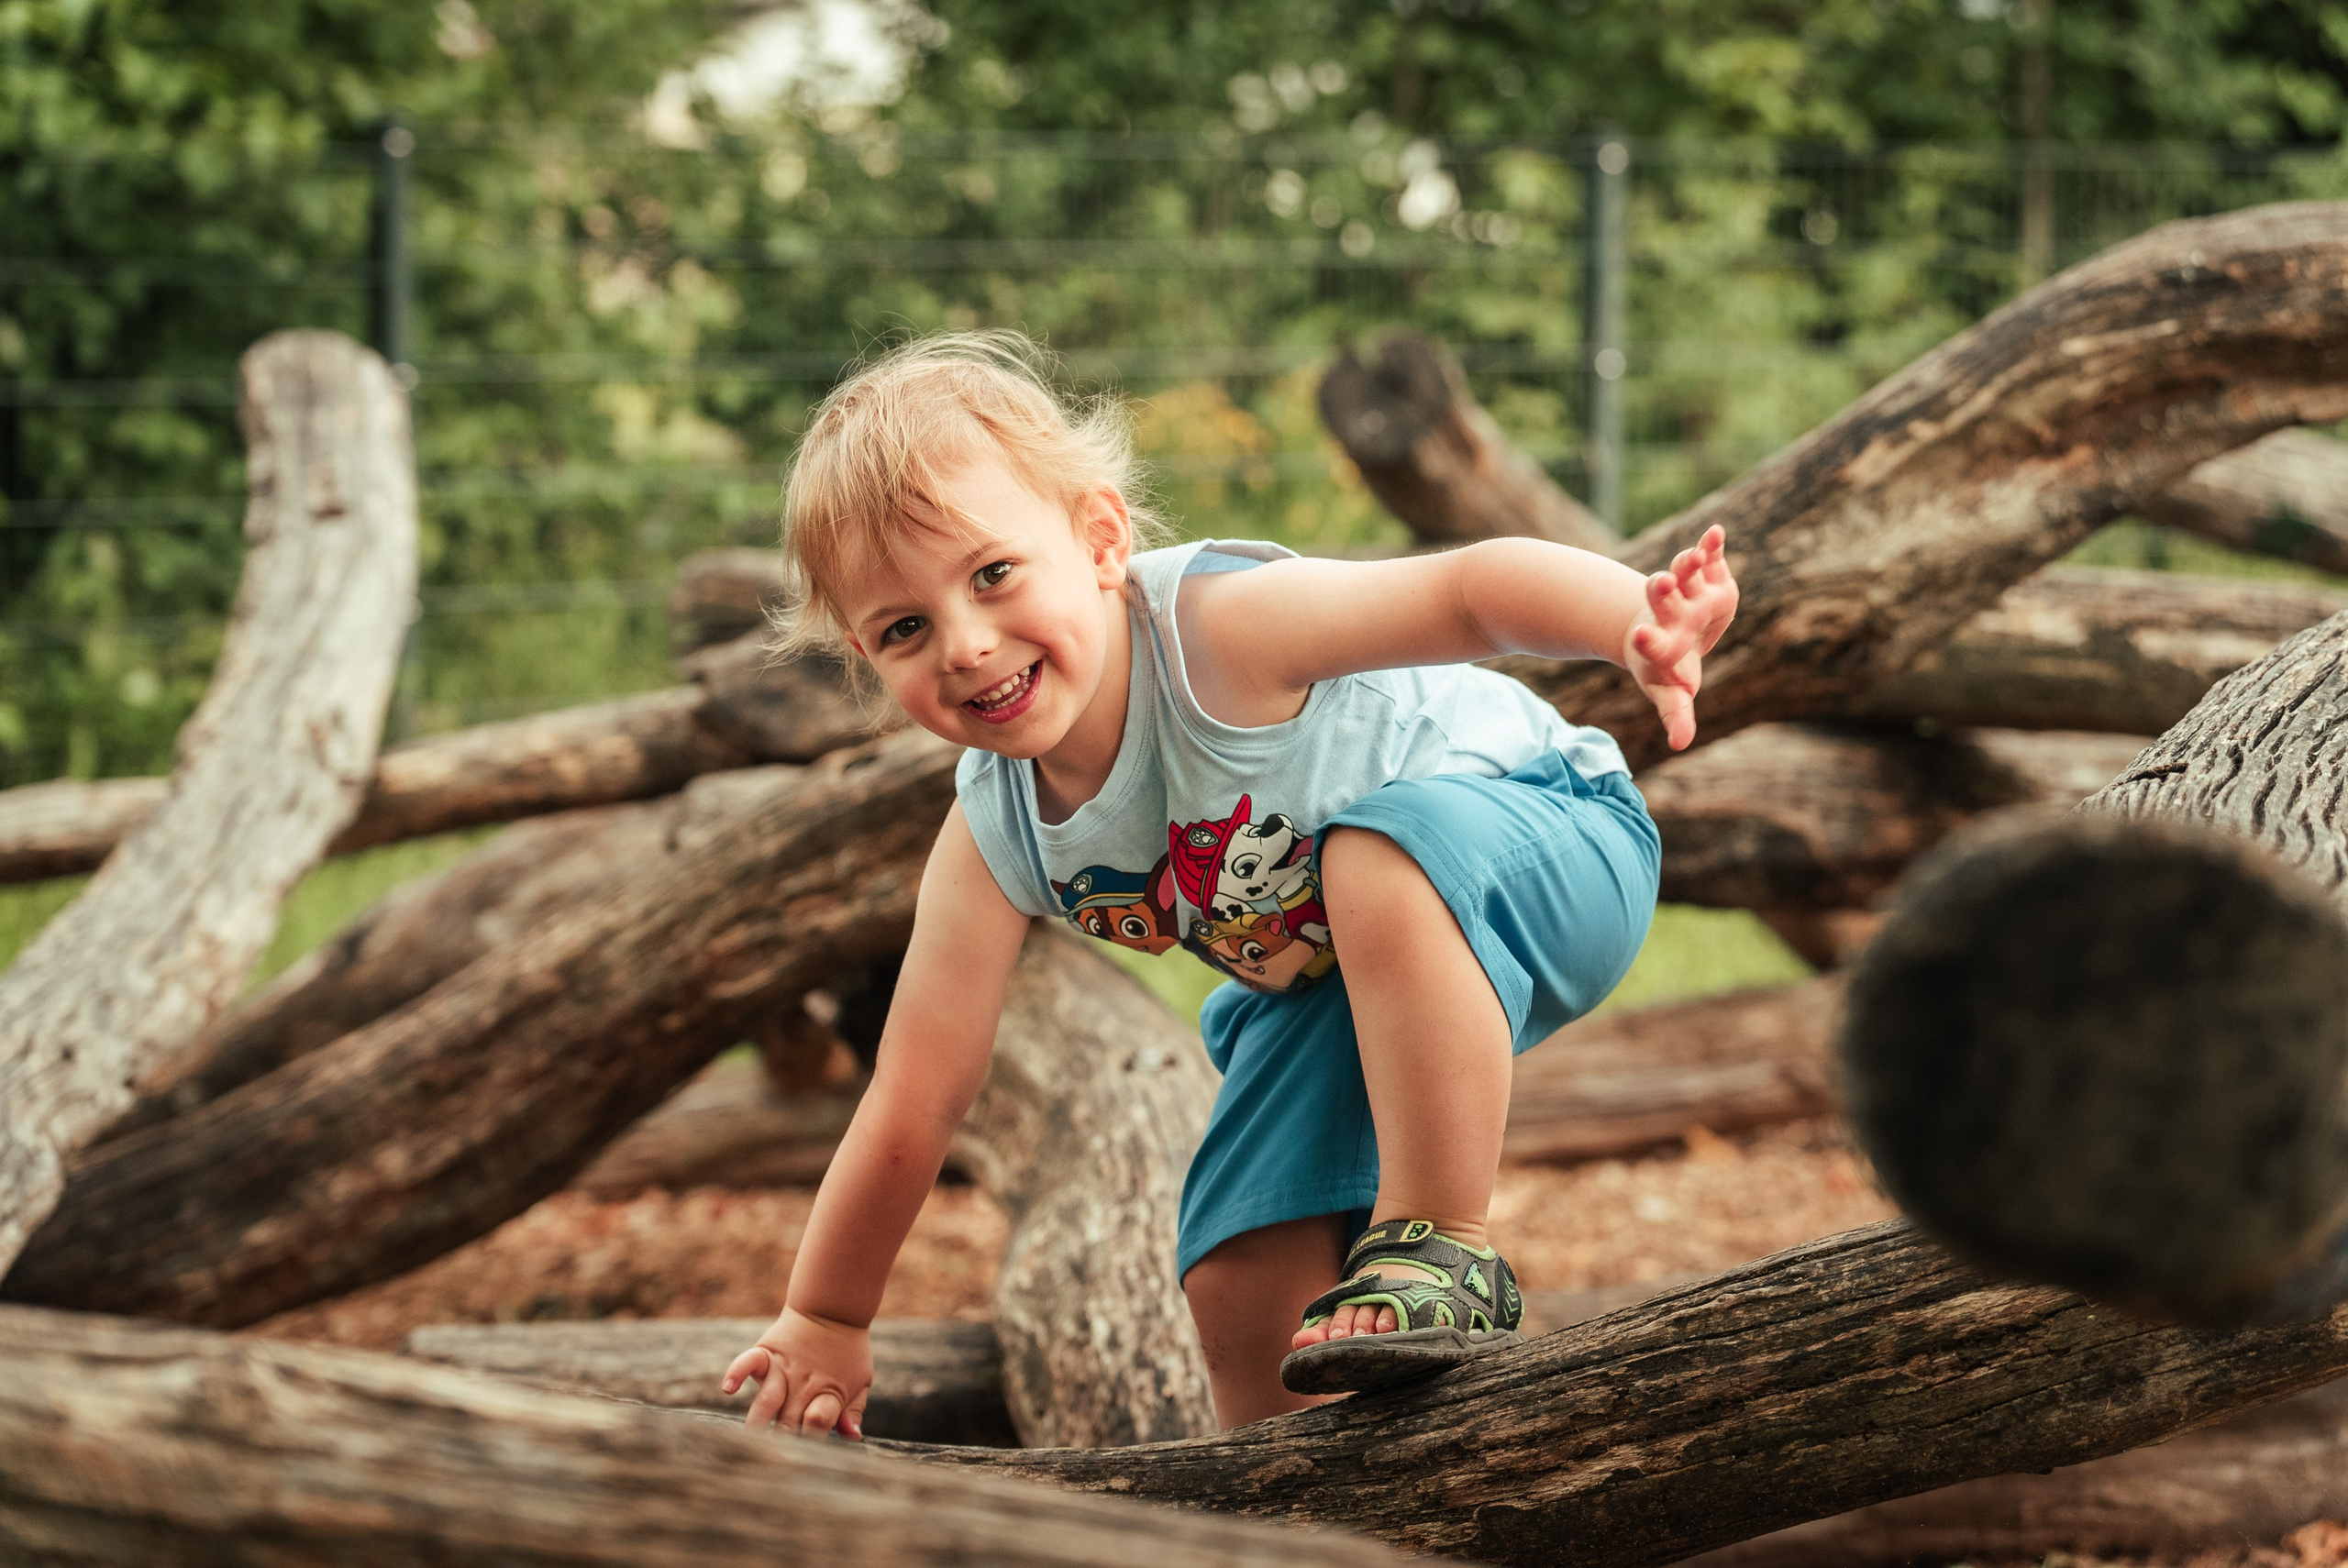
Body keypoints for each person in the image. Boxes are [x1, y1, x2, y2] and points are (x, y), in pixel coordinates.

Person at [720, 331, 1738, 1435]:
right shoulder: (993, 832)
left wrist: (1631, 621)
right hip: (1334, 974)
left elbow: (1465, 595)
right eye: (905, 628)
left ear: (1100, 540)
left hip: (1555, 844)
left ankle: (1438, 1243)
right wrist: (826, 1313)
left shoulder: (1219, 635)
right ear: (867, 658)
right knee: (1237, 1270)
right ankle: (1281, 1494)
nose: (963, 644)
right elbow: (914, 1096)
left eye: (993, 575)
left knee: (1374, 854)